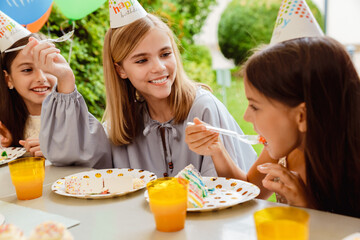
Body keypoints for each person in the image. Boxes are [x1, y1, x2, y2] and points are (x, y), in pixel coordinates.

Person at [39, 2, 257, 178]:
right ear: (121, 70)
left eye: (165, 54)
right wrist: (66, 80)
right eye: (142, 60)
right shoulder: (123, 123)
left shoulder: (202, 109)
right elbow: (79, 160)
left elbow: (230, 188)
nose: (159, 68)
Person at [185, 36, 360, 218]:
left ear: (301, 116)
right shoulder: (284, 149)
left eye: (255, 106)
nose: (245, 116)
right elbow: (250, 191)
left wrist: (305, 208)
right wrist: (217, 150)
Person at [0, 11, 58, 157]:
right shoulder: (6, 123)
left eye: (48, 66)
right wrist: (6, 143)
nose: (41, 77)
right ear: (9, 79)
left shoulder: (71, 116)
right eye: (27, 70)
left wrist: (59, 149)